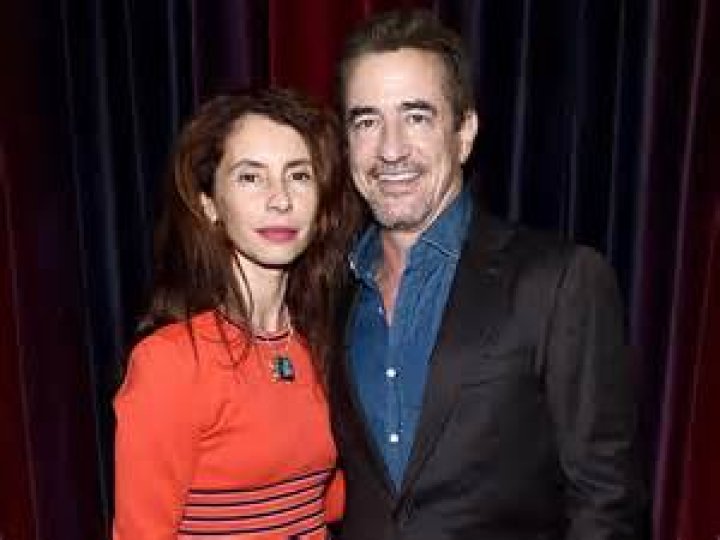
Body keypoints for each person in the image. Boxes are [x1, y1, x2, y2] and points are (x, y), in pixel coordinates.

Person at [330, 9, 644, 540]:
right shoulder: (330, 293)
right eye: (366, 121)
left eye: (416, 117)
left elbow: (607, 501)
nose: (390, 149)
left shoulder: (559, 280)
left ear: (465, 132)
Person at [113, 88, 361, 539]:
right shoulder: (169, 363)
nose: (280, 199)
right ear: (209, 204)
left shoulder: (326, 345)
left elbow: (331, 503)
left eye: (298, 175)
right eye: (251, 177)